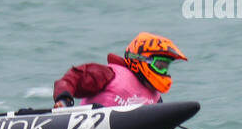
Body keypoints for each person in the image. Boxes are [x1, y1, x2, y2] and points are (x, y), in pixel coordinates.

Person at [53, 32, 187, 109]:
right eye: (160, 66)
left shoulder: (156, 100)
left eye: (165, 67)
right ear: (140, 60)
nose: (163, 72)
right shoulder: (108, 75)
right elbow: (73, 78)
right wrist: (64, 100)